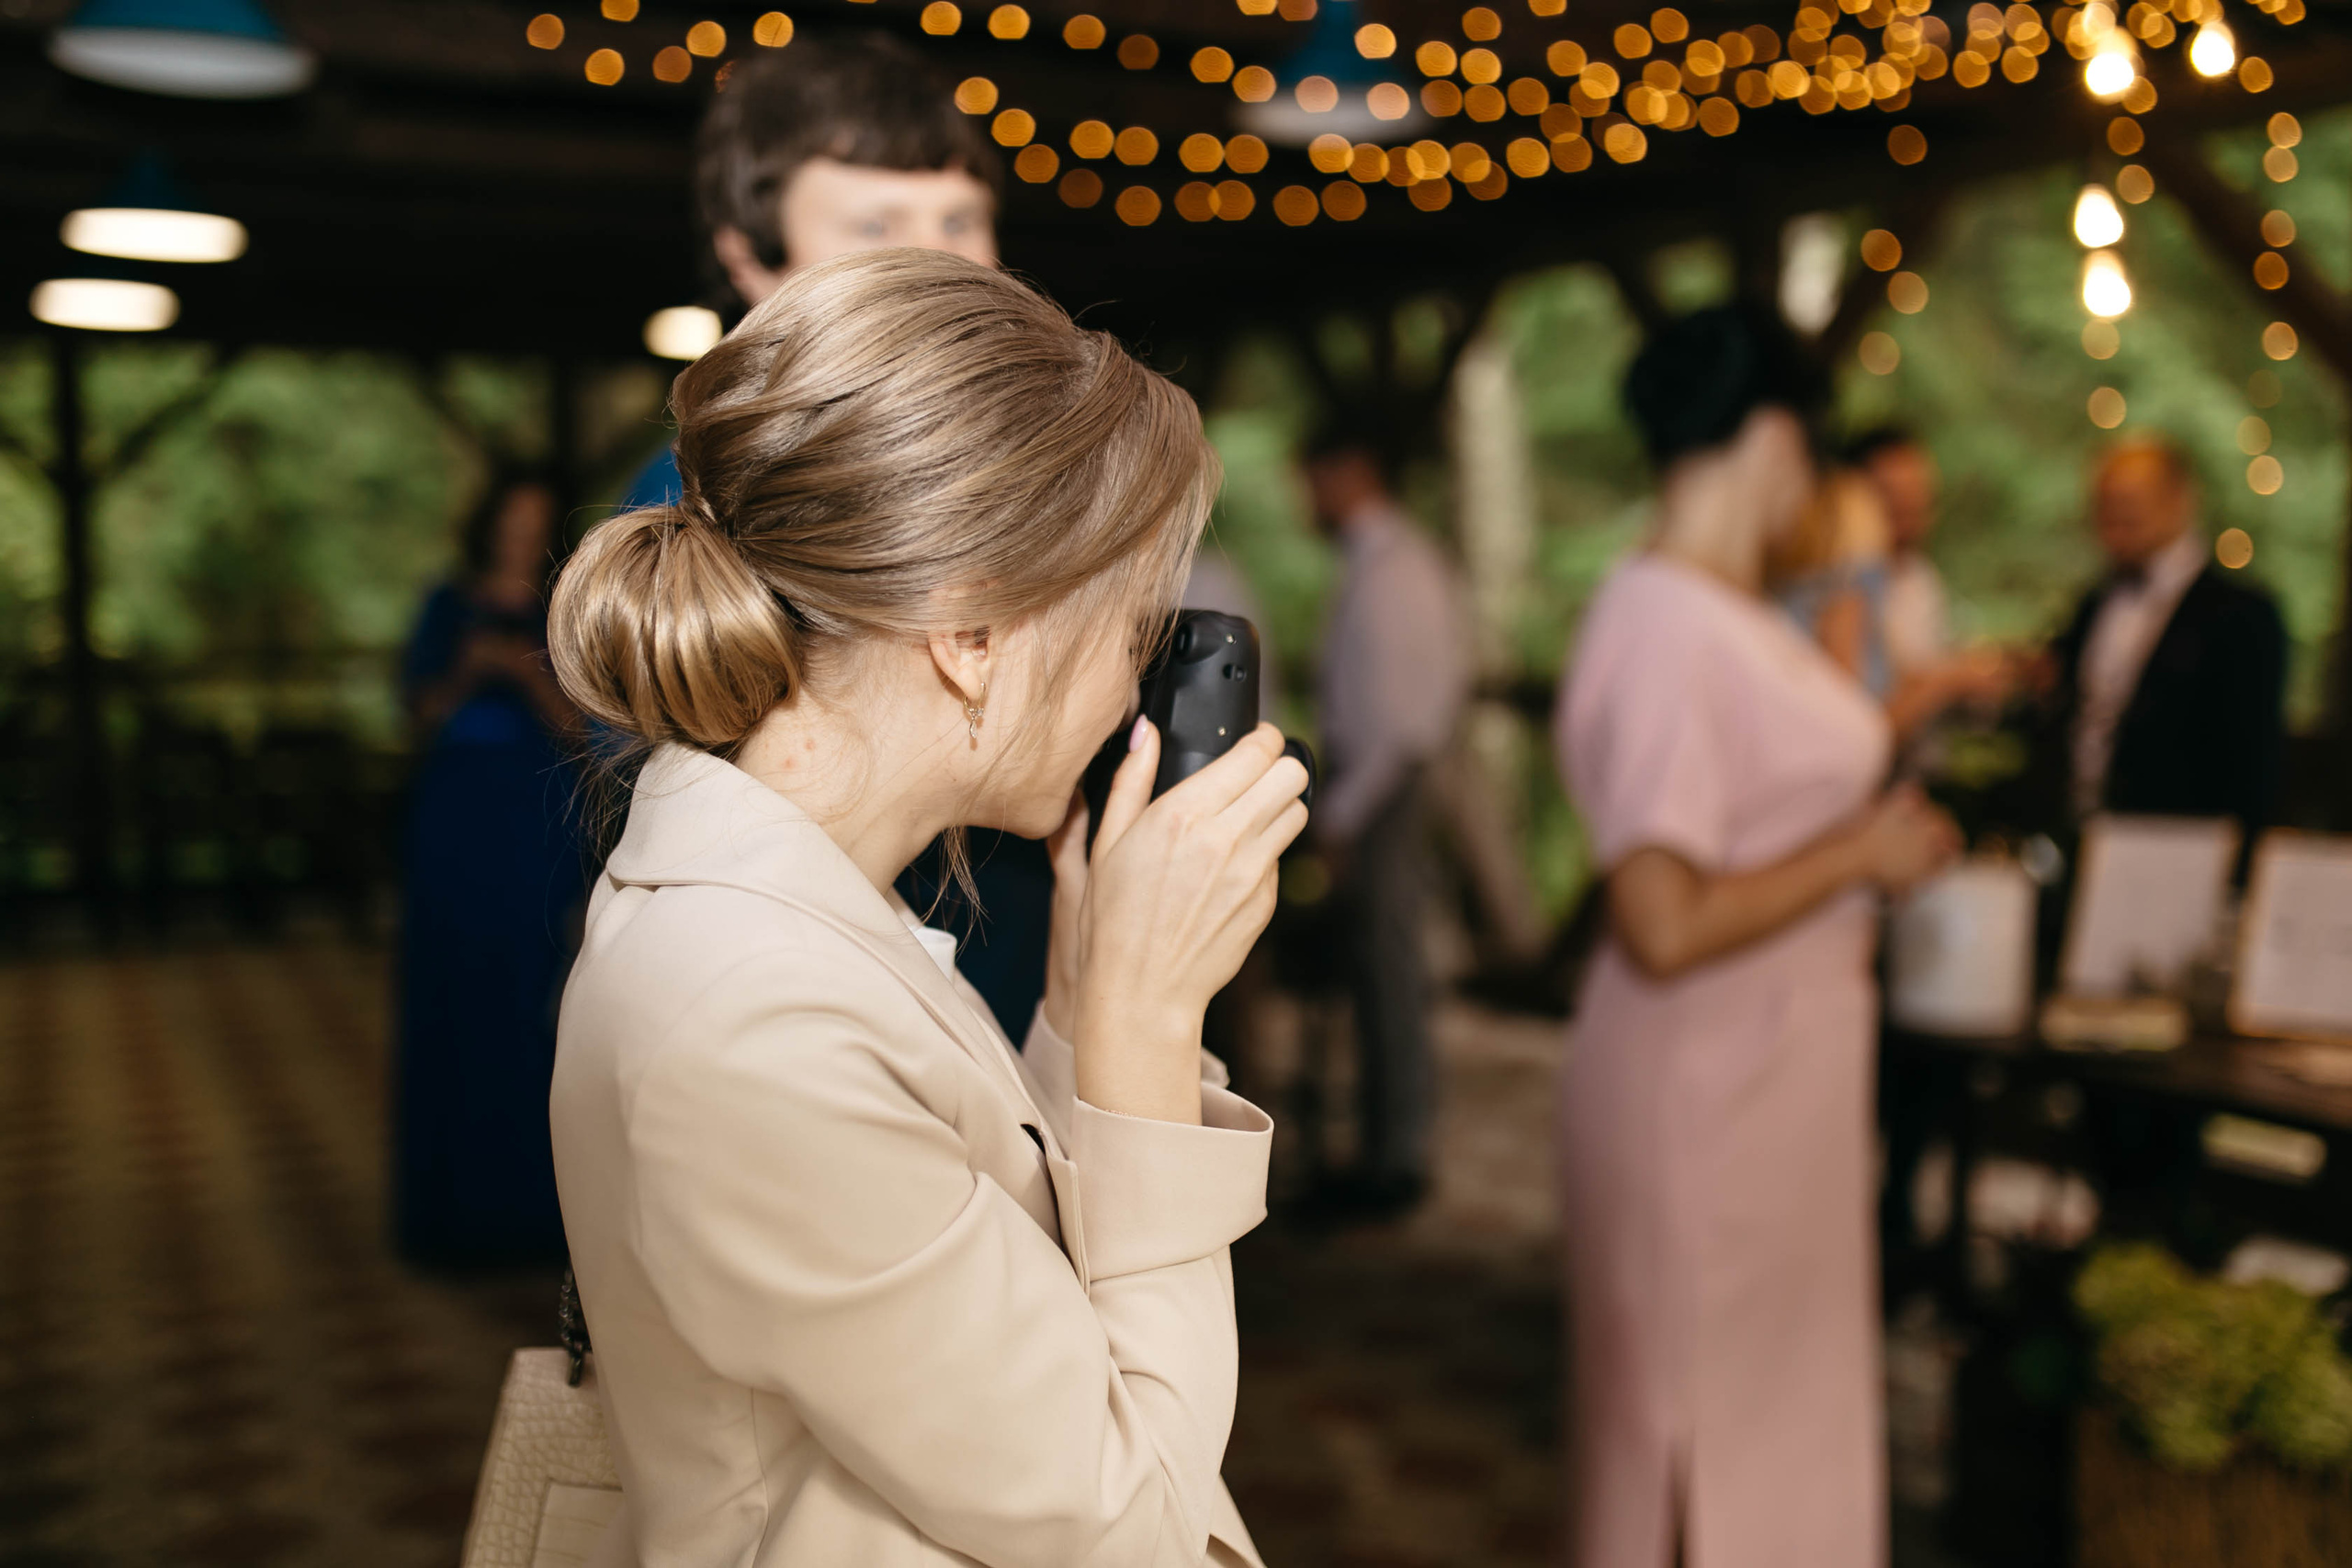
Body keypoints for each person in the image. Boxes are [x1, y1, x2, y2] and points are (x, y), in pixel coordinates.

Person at [546, 250, 1306, 1567]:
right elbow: (1127, 1521)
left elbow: (978, 1259)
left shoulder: (795, 894)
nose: (1133, 681)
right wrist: (1148, 1032)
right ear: (971, 630)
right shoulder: (750, 1015)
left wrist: (1078, 1004)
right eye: (1127, 624)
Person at [1552, 304, 1959, 1568]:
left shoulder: (1722, 610)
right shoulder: (1667, 620)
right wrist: (1863, 854)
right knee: (1694, 1433)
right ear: (1780, 436)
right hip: (1706, 1079)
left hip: (1772, 1078)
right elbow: (1661, 919)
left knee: (1768, 1425)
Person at [393, 468, 584, 1264]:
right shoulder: (448, 603)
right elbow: (416, 714)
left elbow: (585, 732)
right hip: (455, 815)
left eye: (537, 520)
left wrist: (529, 676)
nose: (521, 533)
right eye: (513, 518)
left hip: (534, 819)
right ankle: (450, 1210)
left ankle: (535, 1213)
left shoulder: (561, 613)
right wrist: (470, 670)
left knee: (534, 994)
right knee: (451, 988)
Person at [1302, 428, 1474, 1216]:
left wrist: (1340, 815)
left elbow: (1402, 724)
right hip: (1375, 786)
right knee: (1375, 972)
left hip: (1385, 791)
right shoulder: (1380, 566)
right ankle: (1382, 1147)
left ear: (1351, 469)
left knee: (1392, 971)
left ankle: (1398, 1157)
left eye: (1314, 477)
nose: (1308, 497)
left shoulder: (1398, 572)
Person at [2037, 437, 2287, 857]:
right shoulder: (2094, 603)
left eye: (2128, 501)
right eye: (2104, 501)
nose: (2112, 515)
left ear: (2181, 500)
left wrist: (2238, 862)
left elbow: (2251, 762)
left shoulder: (2243, 615)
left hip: (2183, 847)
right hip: (2083, 839)